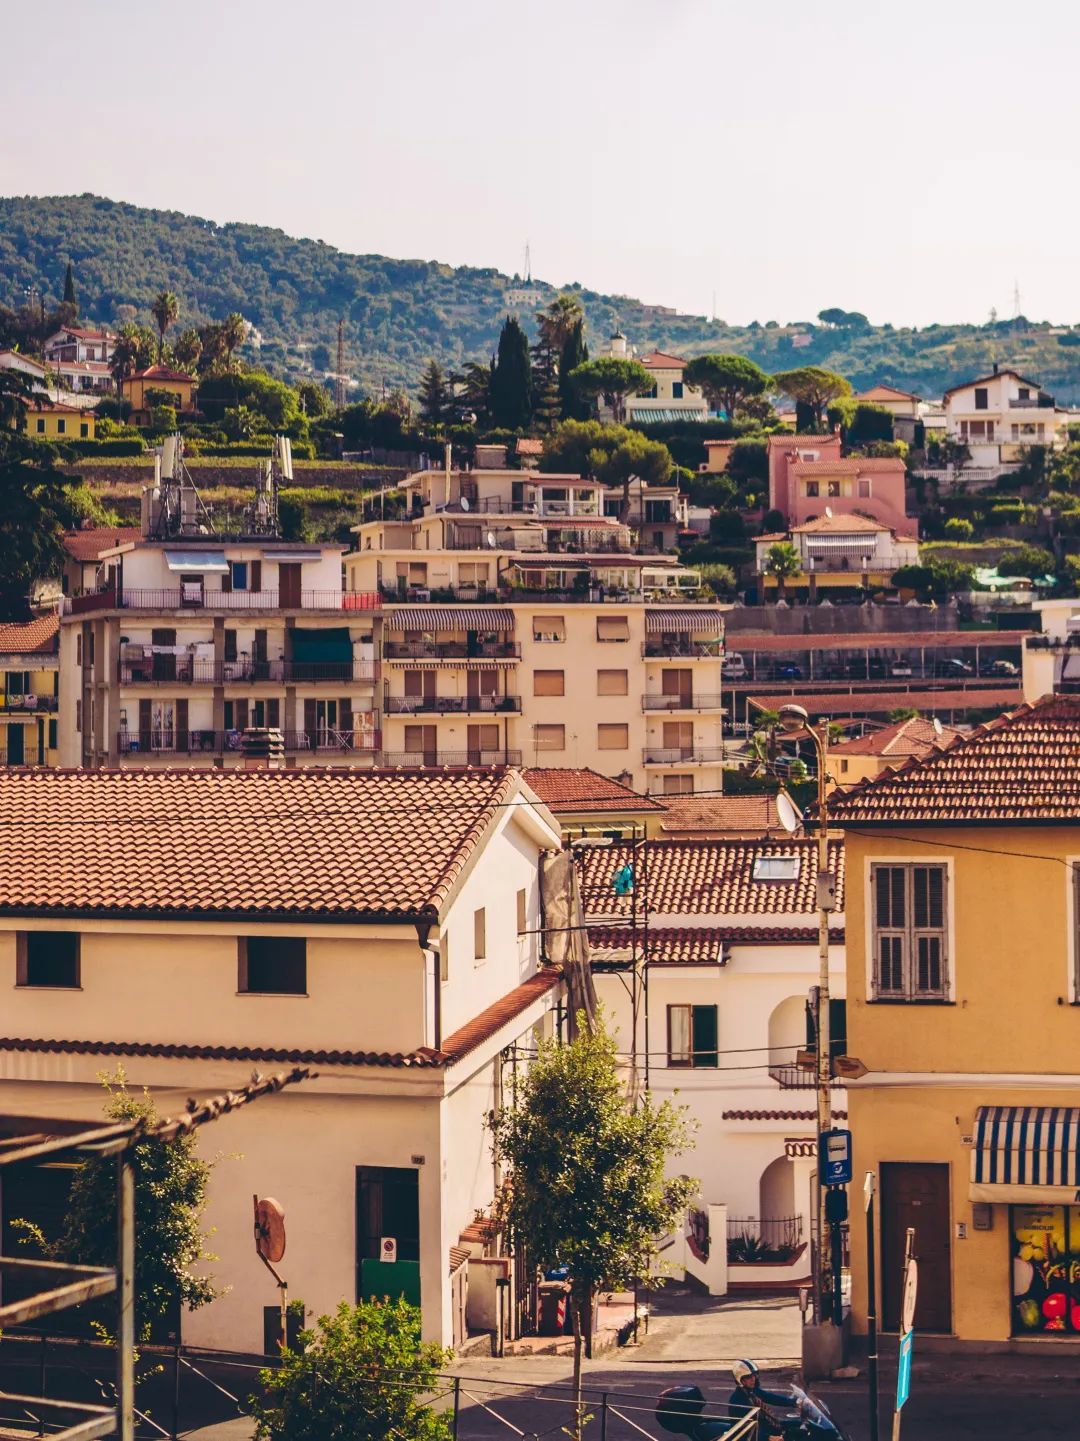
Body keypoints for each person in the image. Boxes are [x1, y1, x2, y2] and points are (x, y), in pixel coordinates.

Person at [728, 1360, 791, 1440]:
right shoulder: (737, 1401)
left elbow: (770, 1397)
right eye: (748, 1377)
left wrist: (793, 1402)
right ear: (741, 1380)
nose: (753, 1379)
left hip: (767, 1426)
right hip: (755, 1436)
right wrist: (769, 1438)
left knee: (799, 1425)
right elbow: (744, 1430)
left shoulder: (752, 1391)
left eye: (754, 1375)